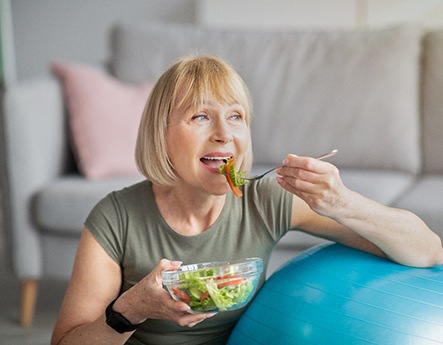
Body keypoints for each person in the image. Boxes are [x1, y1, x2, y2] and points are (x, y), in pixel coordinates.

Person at [51, 55, 443, 345]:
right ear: (161, 134)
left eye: (236, 116)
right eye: (201, 117)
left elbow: (427, 250)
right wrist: (132, 309)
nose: (225, 134)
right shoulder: (115, 217)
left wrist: (343, 202)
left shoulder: (266, 199)